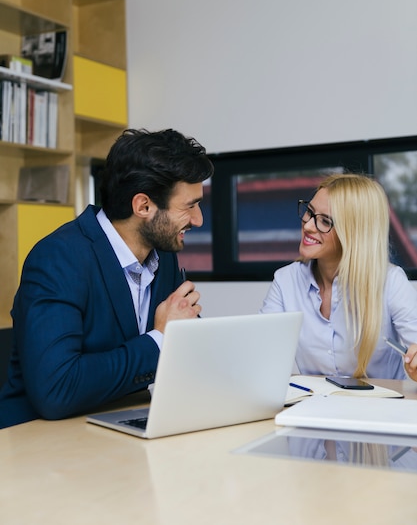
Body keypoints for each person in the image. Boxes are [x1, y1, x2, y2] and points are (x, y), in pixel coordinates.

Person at [0, 128, 214, 428]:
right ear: (143, 206)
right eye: (189, 206)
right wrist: (160, 339)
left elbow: (178, 345)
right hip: (35, 441)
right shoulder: (58, 258)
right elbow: (56, 389)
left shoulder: (163, 255)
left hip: (117, 424)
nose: (198, 220)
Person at [261, 173, 417, 382]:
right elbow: (260, 352)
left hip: (382, 409)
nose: (307, 226)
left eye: (325, 221)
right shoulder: (285, 280)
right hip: (315, 409)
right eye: (309, 212)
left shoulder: (391, 282)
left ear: (353, 233)